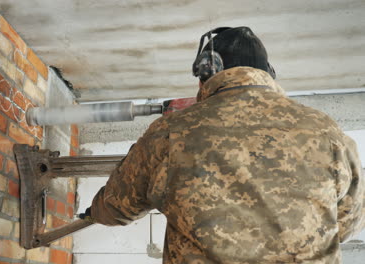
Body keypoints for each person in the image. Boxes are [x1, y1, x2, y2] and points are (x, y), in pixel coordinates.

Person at [79, 26, 364, 263]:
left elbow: (116, 207)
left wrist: (94, 212)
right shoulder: (326, 131)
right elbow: (348, 223)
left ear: (206, 72)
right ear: (268, 72)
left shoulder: (171, 132)